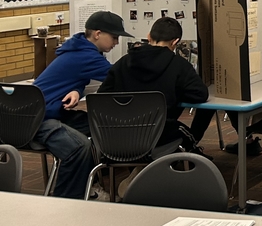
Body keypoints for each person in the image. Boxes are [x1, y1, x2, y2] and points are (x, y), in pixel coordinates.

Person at [31, 10, 133, 199]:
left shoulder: (77, 49)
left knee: (100, 124)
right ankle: (68, 198)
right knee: (78, 148)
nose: (117, 42)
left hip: (48, 112)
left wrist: (77, 90)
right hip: (38, 119)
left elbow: (76, 74)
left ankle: (91, 181)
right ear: (97, 34)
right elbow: (121, 78)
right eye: (114, 37)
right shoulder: (87, 56)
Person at [98, 16, 209, 152]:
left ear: (149, 36)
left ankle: (139, 170)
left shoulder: (123, 62)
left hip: (120, 137)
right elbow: (200, 94)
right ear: (175, 42)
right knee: (187, 134)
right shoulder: (179, 65)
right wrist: (177, 92)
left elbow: (102, 97)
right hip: (161, 135)